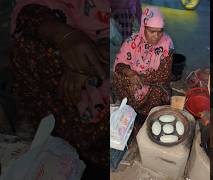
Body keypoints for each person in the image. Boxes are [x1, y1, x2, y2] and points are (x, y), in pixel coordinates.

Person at [9, 0, 108, 178]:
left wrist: (93, 58)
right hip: (59, 111)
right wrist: (65, 37)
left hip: (115, 62)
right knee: (28, 46)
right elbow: (29, 12)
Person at [112, 6, 174, 121]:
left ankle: (146, 116)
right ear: (143, 27)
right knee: (118, 77)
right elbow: (119, 65)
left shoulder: (167, 44)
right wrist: (130, 73)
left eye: (160, 32)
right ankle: (131, 111)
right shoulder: (132, 41)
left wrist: (139, 80)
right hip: (134, 77)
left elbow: (164, 75)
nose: (156, 36)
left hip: (153, 83)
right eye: (152, 31)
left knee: (159, 91)